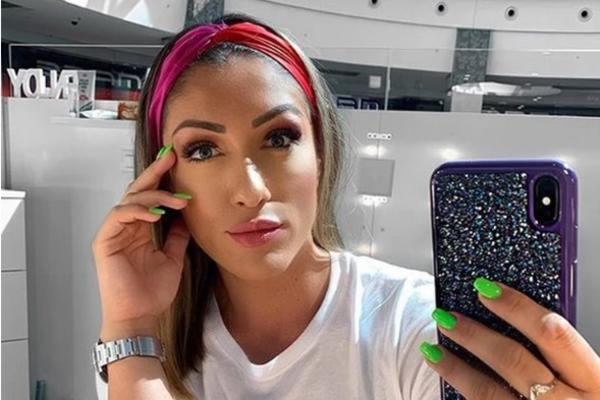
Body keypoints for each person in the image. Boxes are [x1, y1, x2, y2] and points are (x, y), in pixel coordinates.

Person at [92, 12, 600, 400]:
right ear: (164, 176)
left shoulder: (413, 325)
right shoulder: (146, 341)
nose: (250, 190)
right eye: (203, 150)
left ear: (320, 152)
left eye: (279, 138)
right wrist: (131, 326)